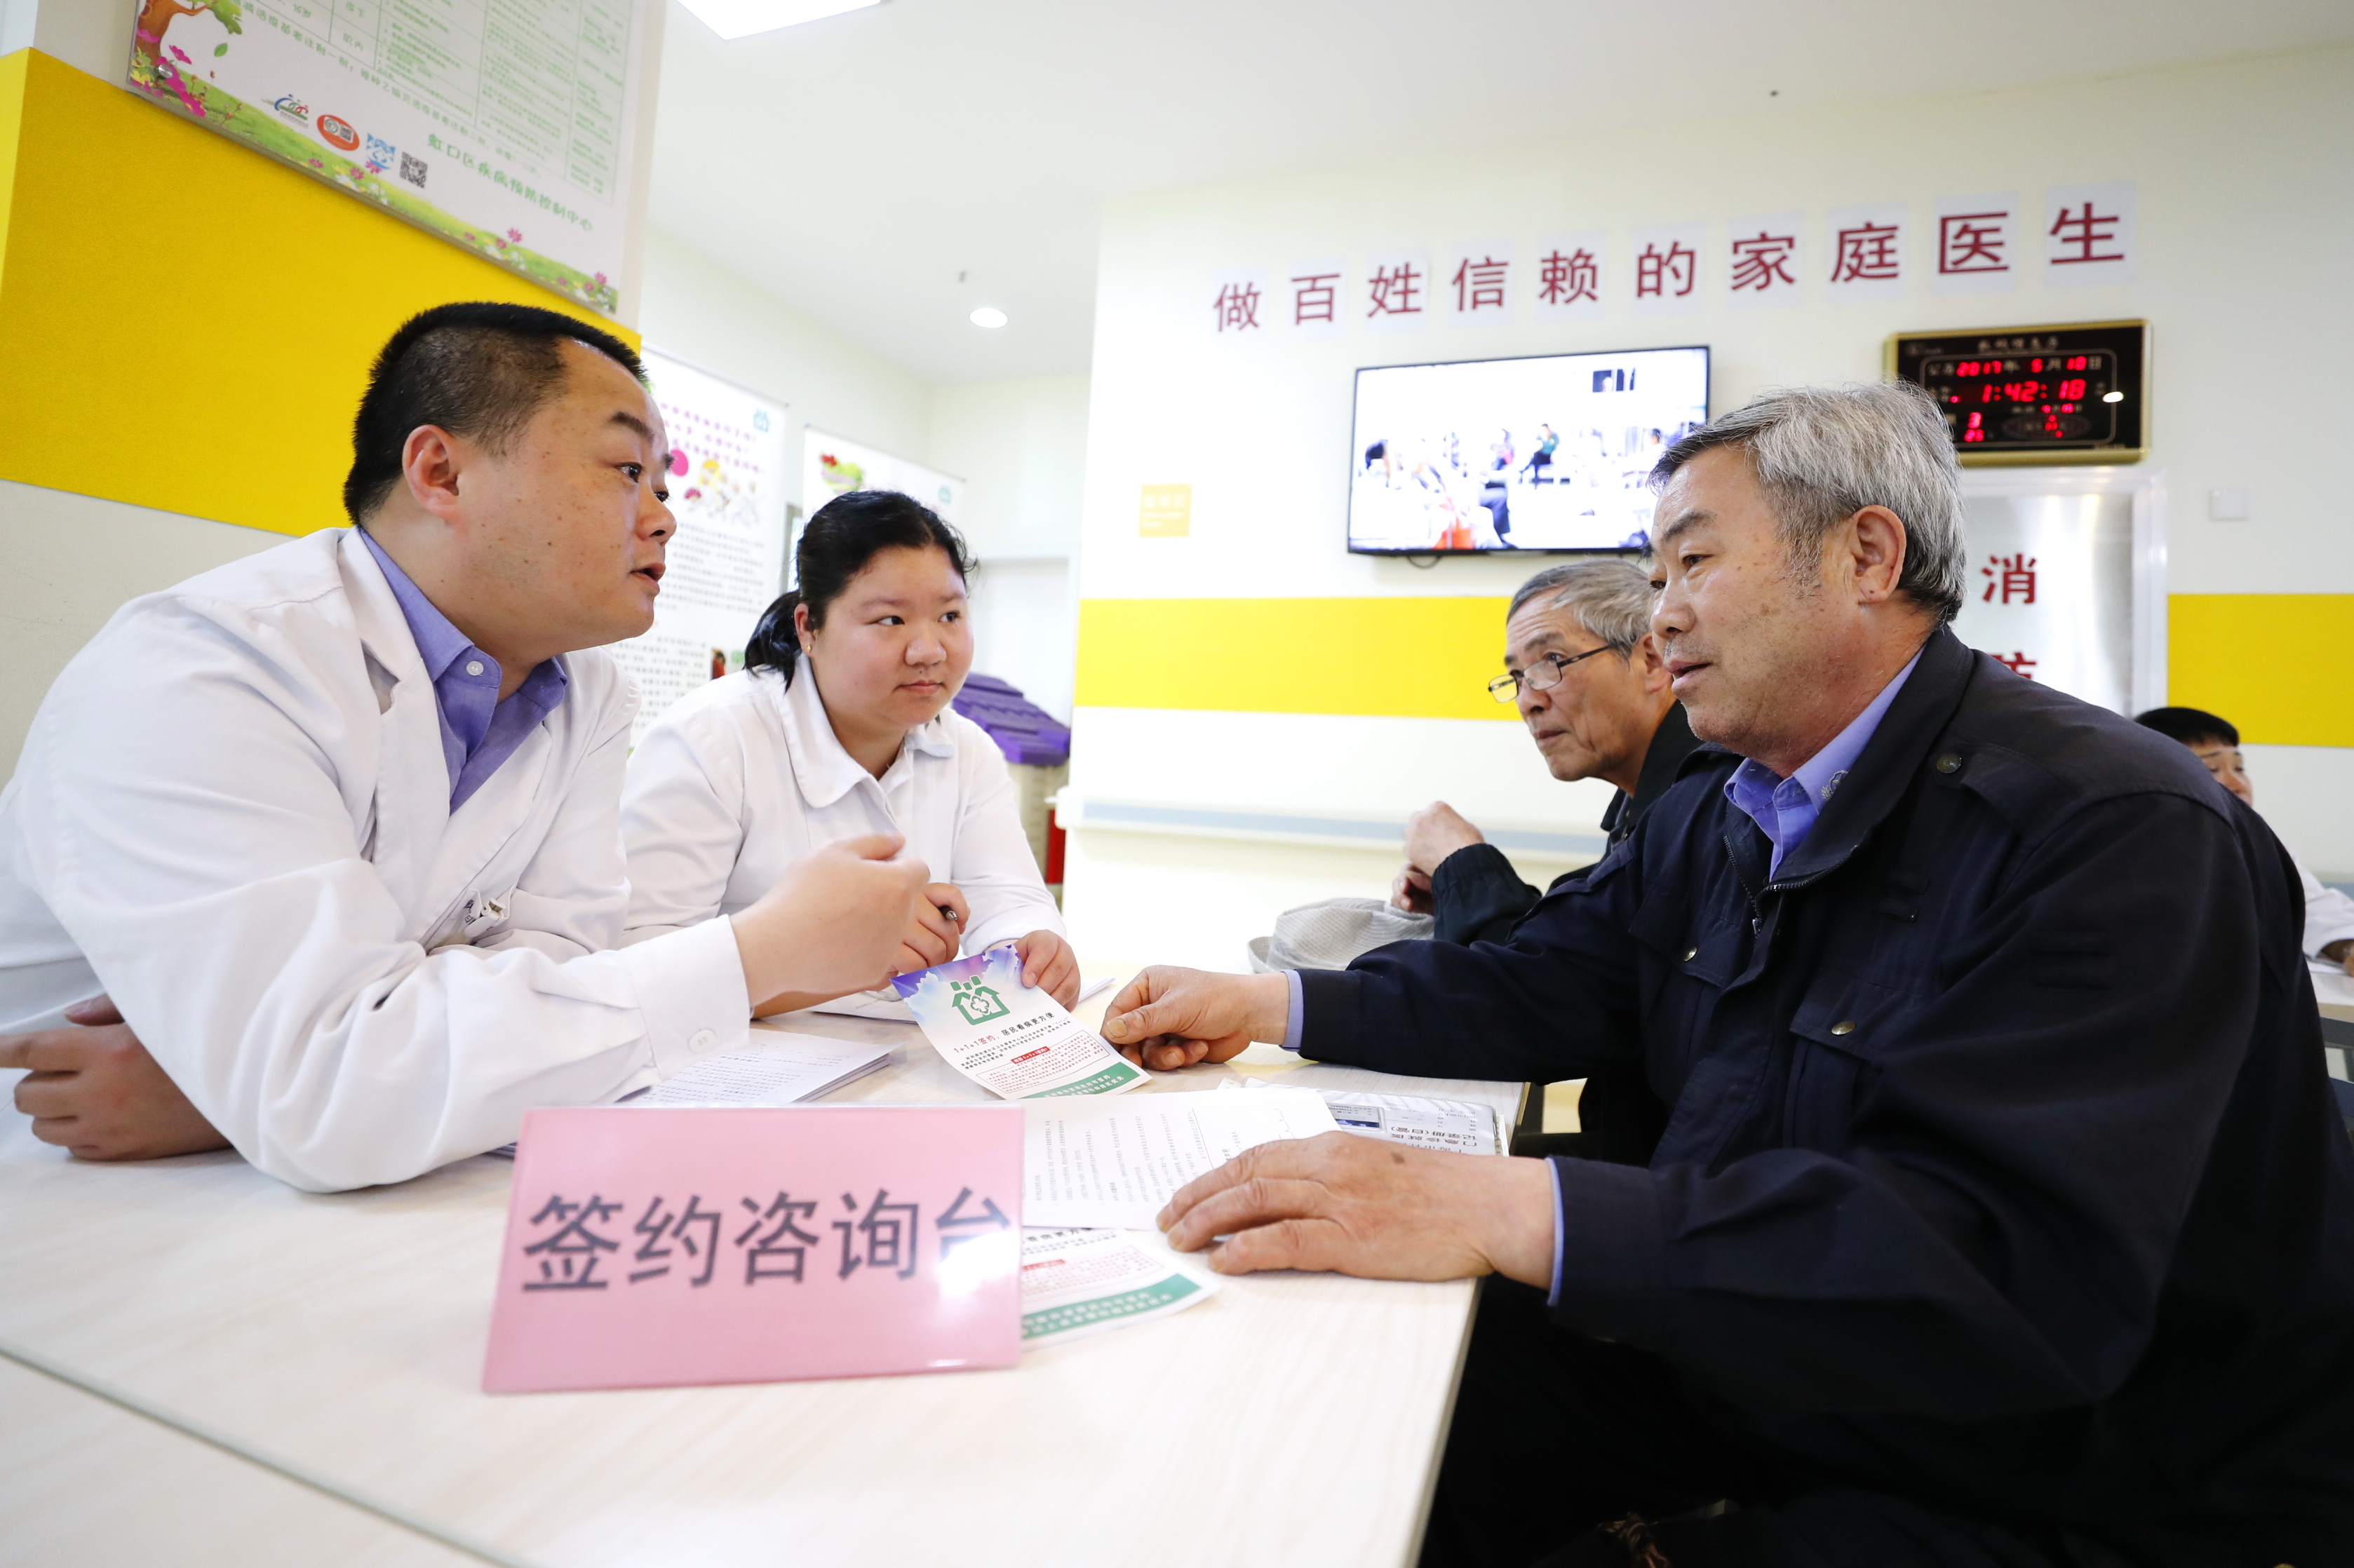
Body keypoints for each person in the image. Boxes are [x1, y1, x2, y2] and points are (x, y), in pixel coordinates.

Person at [1101, 384, 2354, 1564]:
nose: (1660, 618)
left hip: (2040, 1470)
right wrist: (1267, 1003)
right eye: (1654, 581)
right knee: (1331, 1392)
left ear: (1866, 556)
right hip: (1753, 1357)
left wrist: (1509, 1207)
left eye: (1693, 563)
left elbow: (1996, 1263)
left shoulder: (2110, 829)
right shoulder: (1730, 804)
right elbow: (1542, 981)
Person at [0, 303, 926, 1192]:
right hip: (69, 1190)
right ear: (441, 473)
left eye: (663, 485)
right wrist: (761, 952)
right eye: (625, 470)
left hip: (320, 1178)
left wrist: (224, 1089)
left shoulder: (584, 690)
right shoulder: (211, 667)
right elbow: (324, 1085)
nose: (662, 517)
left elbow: (558, 968)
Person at [619, 489, 1077, 1013]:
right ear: (808, 628)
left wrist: (1029, 947)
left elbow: (1007, 897)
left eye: (950, 615)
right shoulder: (712, 739)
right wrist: (843, 955)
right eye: (891, 620)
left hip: (900, 1053)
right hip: (745, 1056)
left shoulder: (967, 749)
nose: (929, 650)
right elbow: (641, 960)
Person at [1390, 558, 1699, 1163]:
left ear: (1651, 660)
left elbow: (1546, 1003)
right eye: (1517, 678)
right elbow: (1590, 956)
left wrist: (1462, 863)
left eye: (1550, 662)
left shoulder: (1698, 800)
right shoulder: (1644, 802)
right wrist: (1458, 889)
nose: (1528, 701)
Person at [2136, 705, 2354, 975]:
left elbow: (2312, 910)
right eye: (2212, 769)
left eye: (2240, 767)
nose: (2238, 784)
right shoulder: (2131, 855)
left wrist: (2348, 947)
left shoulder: (2260, 848)